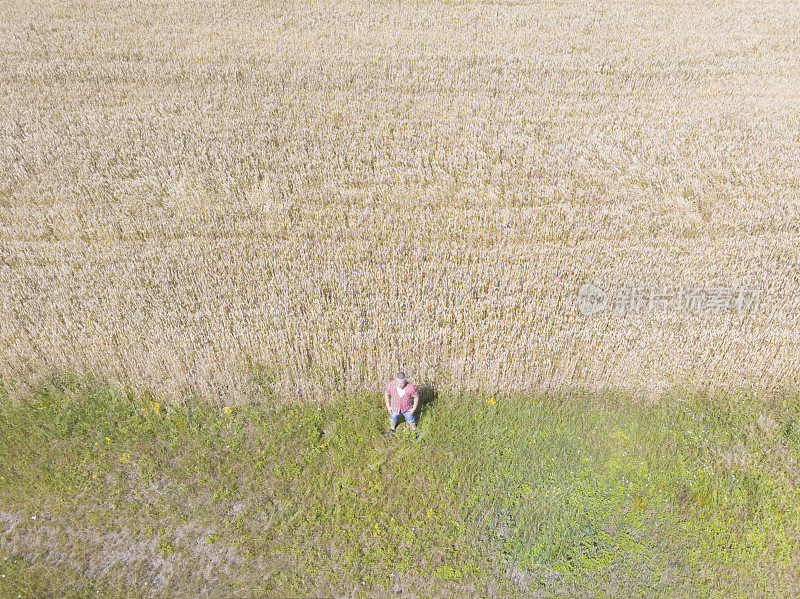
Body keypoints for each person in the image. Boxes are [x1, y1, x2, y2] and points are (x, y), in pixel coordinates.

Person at [385, 371, 419, 438]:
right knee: (393, 419)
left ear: (405, 381)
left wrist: (414, 408)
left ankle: (414, 430)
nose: (400, 385)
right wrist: (388, 407)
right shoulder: (390, 385)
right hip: (394, 408)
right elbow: (386, 394)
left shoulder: (410, 387)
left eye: (402, 383)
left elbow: (416, 397)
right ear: (395, 381)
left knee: (411, 419)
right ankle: (392, 429)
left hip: (407, 409)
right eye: (398, 383)